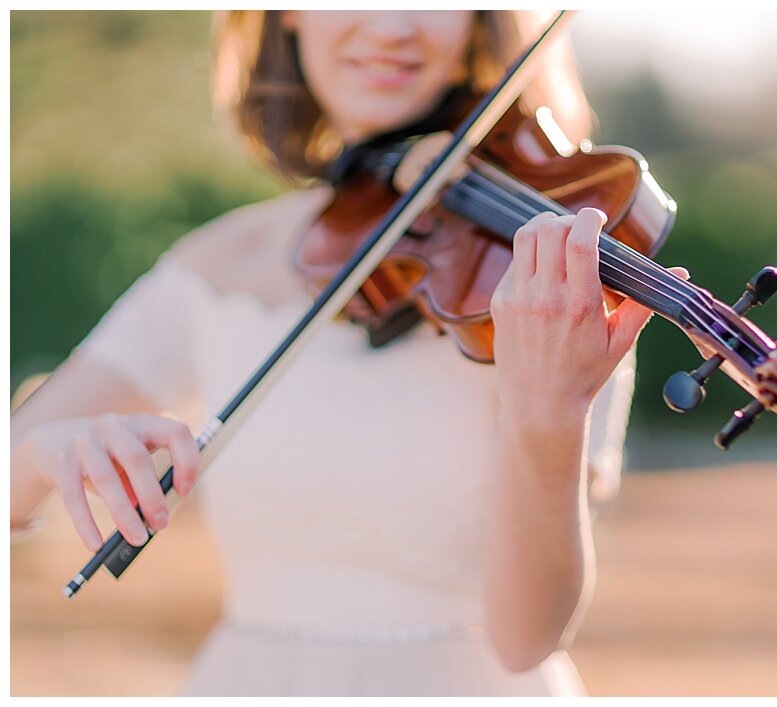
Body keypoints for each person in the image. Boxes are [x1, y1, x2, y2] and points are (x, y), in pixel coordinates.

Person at [10, 10, 681, 696]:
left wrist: (549, 414)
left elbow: (525, 639)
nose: (390, 26)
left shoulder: (540, 283)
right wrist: (44, 450)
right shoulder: (215, 267)